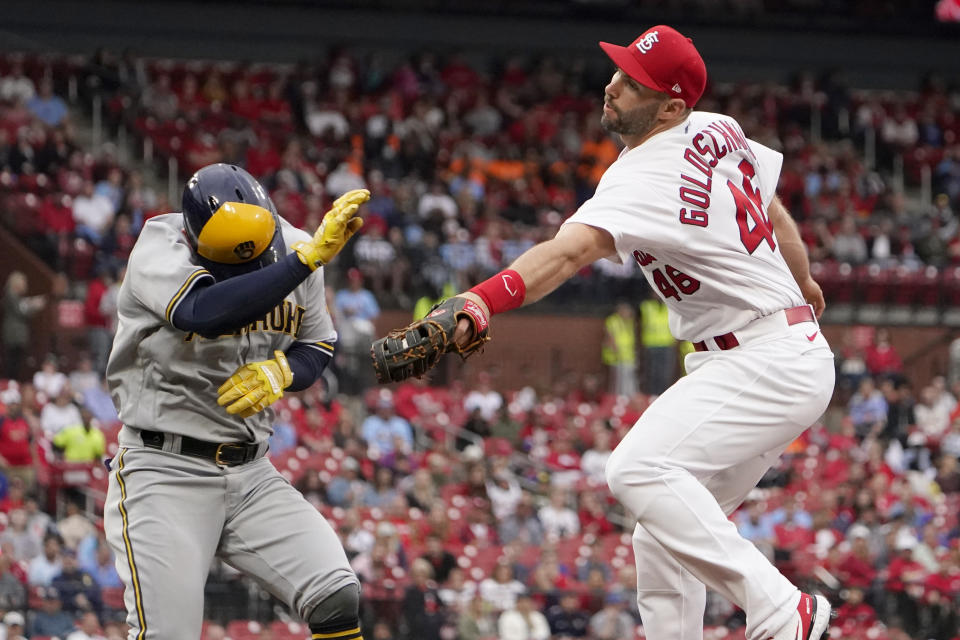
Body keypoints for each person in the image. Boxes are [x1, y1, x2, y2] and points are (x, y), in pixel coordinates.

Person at [439, 25, 834, 640]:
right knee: (660, 529)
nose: (613, 85)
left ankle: (785, 609)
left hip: (763, 358)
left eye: (633, 82)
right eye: (619, 71)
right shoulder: (717, 128)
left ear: (672, 106)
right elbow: (770, 203)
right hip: (778, 350)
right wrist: (803, 279)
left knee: (637, 471)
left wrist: (481, 300)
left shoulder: (646, 174)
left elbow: (565, 254)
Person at [102, 163, 370, 639]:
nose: (248, 266)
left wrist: (285, 370)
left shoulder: (298, 245)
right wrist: (301, 262)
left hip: (251, 474)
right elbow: (201, 312)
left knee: (336, 594)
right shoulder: (160, 247)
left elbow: (319, 342)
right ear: (194, 237)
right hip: (165, 471)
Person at [1, 272, 46, 381]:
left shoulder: (15, 296)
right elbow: (21, 311)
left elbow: (22, 306)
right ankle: (9, 384)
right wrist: (34, 305)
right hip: (13, 335)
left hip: (17, 335)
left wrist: (30, 303)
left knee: (16, 361)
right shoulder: (10, 295)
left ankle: (12, 382)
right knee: (12, 362)